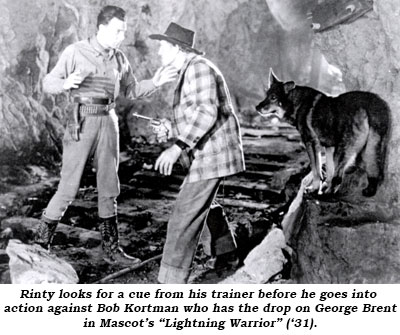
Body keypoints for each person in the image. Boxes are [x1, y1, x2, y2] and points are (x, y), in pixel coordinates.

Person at [36, 5, 177, 264]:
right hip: (82, 121)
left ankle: (111, 250)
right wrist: (65, 84)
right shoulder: (75, 52)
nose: (121, 36)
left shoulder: (120, 58)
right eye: (116, 31)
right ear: (101, 28)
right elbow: (48, 83)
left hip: (108, 121)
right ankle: (40, 244)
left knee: (109, 187)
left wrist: (155, 83)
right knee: (68, 187)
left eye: (123, 31)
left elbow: (132, 90)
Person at [149, 22, 246, 283]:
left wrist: (177, 146)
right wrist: (171, 129)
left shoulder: (199, 68)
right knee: (201, 203)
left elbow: (206, 112)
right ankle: (227, 254)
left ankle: (170, 283)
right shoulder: (191, 70)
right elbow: (197, 114)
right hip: (208, 153)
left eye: (162, 46)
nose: (159, 52)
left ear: (177, 49)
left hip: (212, 155)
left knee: (183, 215)